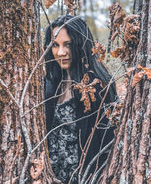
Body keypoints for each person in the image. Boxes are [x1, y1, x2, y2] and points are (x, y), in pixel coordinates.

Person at [44, 15, 117, 184]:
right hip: (49, 177)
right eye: (55, 45)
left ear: (79, 43)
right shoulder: (49, 84)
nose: (61, 52)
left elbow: (108, 143)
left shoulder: (99, 85)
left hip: (84, 178)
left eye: (67, 44)